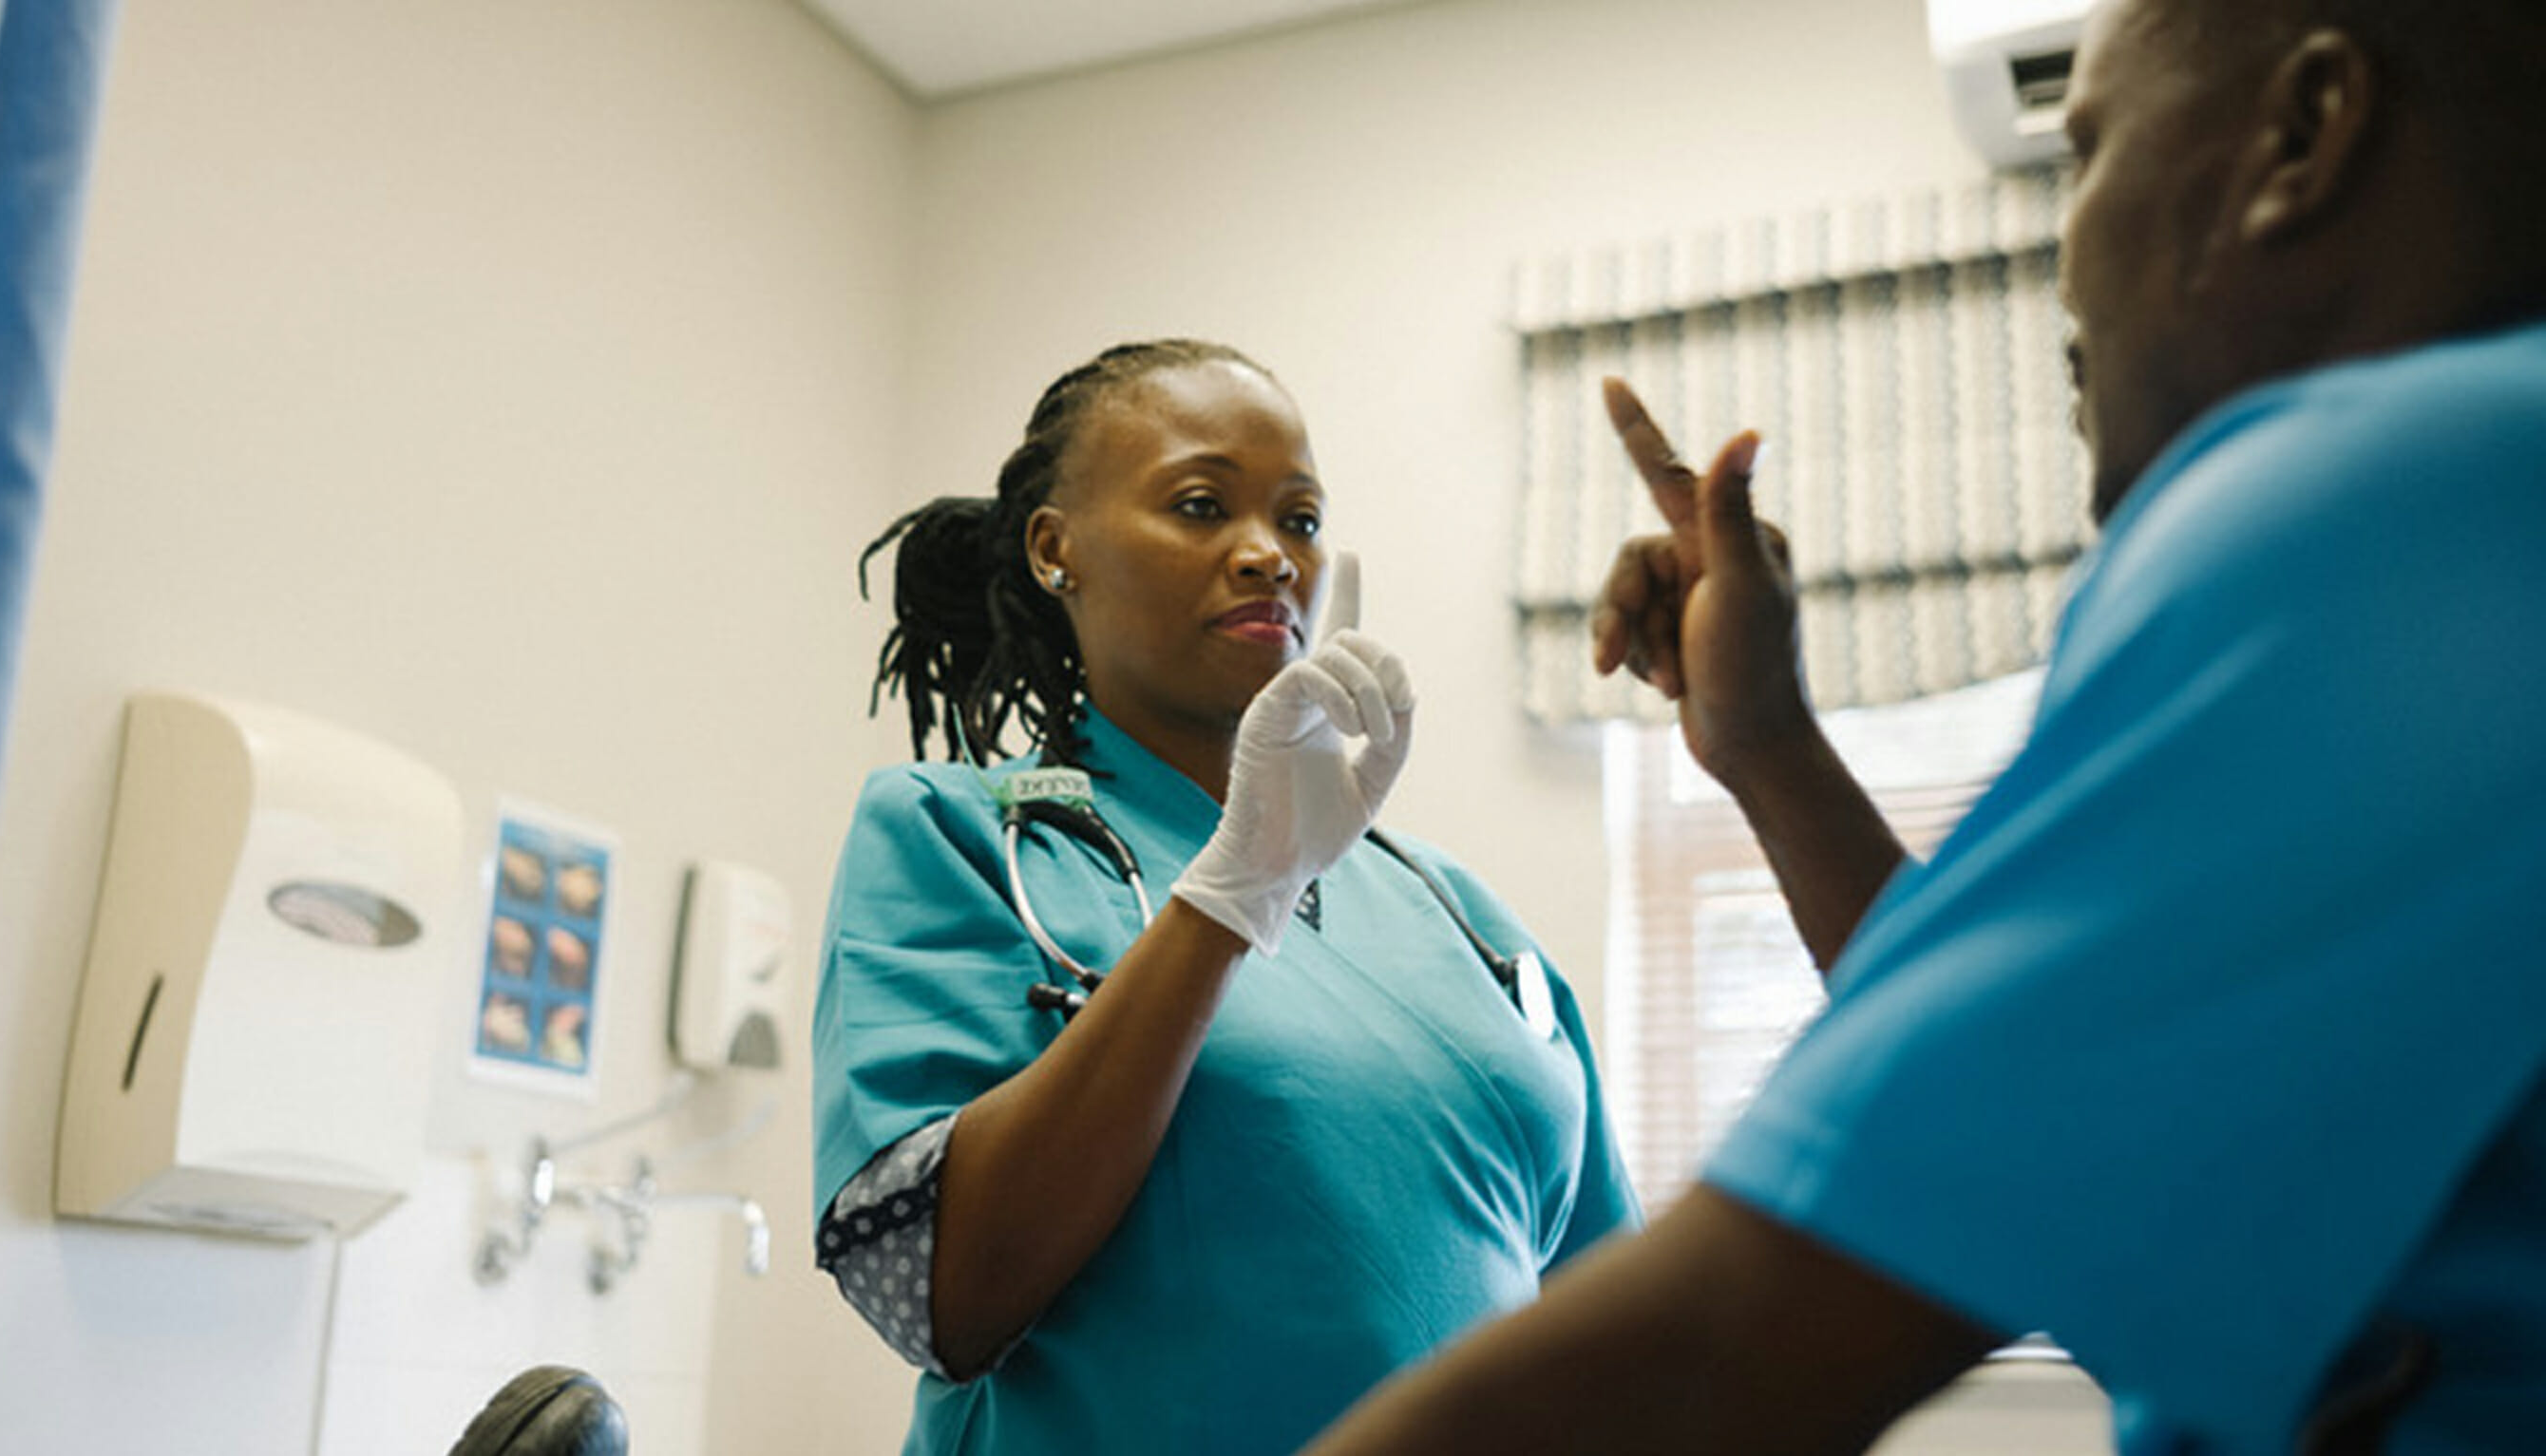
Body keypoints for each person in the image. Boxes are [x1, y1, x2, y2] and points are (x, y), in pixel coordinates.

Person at [1302, 0, 2546, 1451]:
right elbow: (2071, 1166)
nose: (2059, 256)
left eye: (2085, 153)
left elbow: (1717, 1347)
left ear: (2301, 134)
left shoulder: (2376, 506)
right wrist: (1765, 745)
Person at [811, 339, 1638, 1455]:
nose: (1269, 557)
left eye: (1298, 518)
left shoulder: (1455, 911)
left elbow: (1616, 1343)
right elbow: (948, 1296)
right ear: (1058, 552)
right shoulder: (962, 833)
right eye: (1201, 506)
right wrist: (1231, 892)